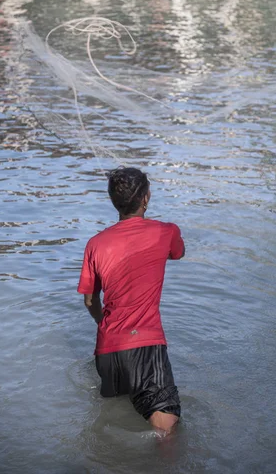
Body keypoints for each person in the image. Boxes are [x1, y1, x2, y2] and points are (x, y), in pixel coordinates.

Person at [77, 167, 185, 434]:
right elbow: (178, 253)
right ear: (146, 197)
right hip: (144, 346)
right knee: (166, 427)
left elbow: (90, 301)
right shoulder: (166, 231)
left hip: (106, 350)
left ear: (114, 201)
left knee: (113, 419)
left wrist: (105, 324)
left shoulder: (95, 243)